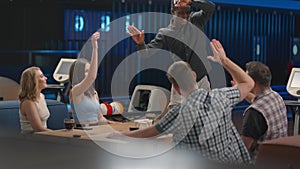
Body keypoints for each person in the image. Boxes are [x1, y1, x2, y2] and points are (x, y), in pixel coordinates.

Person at [109, 39, 254, 165]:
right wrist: (224, 60)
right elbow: (248, 82)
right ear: (194, 75)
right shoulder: (222, 96)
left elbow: (149, 133)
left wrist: (121, 135)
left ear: (176, 88)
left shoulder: (178, 113)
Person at [127, 0, 215, 109]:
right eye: (180, 13)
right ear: (172, 11)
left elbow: (210, 7)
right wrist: (141, 44)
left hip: (201, 78)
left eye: (187, 12)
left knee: (207, 112)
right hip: (180, 81)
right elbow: (146, 53)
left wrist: (191, 1)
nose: (185, 16)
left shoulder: (197, 20)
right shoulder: (165, 33)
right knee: (175, 114)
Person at [240, 61, 288, 162]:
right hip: (280, 160)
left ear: (252, 82)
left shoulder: (254, 112)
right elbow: (257, 100)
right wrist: (241, 91)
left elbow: (243, 149)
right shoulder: (276, 97)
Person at [66, 31, 114, 126]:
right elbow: (91, 77)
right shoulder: (75, 91)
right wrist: (95, 49)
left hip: (96, 129)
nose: (89, 73)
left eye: (89, 70)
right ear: (79, 74)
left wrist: (112, 123)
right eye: (86, 71)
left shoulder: (94, 92)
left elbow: (100, 118)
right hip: (83, 131)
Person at [18, 66, 52, 134]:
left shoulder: (42, 96)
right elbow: (38, 128)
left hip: (44, 137)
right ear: (34, 81)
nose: (46, 78)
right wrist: (58, 134)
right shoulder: (28, 102)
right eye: (42, 76)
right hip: (32, 140)